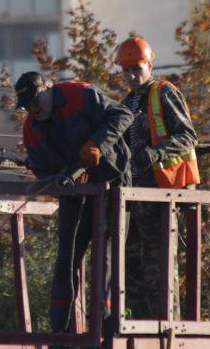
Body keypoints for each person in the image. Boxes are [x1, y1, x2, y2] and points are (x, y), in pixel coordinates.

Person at [15, 72, 132, 334]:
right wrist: (57, 182)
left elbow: (123, 115)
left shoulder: (81, 94)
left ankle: (104, 331)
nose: (34, 108)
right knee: (66, 257)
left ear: (48, 87)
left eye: (37, 100)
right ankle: (62, 335)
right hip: (73, 191)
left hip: (111, 181)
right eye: (28, 105)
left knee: (106, 256)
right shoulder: (31, 131)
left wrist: (96, 144)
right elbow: (42, 170)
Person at [115, 37, 200, 319]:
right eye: (125, 70)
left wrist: (155, 153)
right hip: (134, 199)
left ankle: (166, 331)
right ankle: (140, 331)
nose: (130, 75)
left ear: (149, 64)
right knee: (132, 272)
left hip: (162, 194)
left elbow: (188, 136)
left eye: (135, 68)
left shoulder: (163, 92)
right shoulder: (127, 103)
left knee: (159, 271)